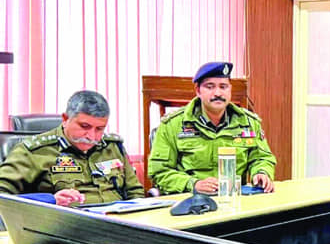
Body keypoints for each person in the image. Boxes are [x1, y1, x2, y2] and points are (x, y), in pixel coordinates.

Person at [148, 62, 277, 194]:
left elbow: (261, 158)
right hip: (190, 199)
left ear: (230, 90)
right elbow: (159, 171)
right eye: (210, 87)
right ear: (198, 91)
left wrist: (262, 172)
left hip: (234, 199)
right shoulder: (172, 125)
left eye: (223, 87)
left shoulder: (248, 123)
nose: (218, 93)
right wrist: (193, 184)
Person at [0, 90, 144, 206]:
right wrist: (50, 200)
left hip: (117, 224)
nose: (91, 136)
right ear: (65, 119)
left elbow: (135, 192)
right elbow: (2, 196)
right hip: (64, 226)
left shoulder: (112, 147)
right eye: (84, 126)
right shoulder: (35, 151)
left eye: (99, 129)